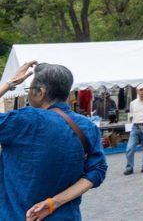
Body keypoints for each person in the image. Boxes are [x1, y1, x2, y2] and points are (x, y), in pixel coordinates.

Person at [0, 61, 107, 220]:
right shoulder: (87, 126)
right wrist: (53, 203)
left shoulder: (24, 120)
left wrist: (10, 83)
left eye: (29, 89)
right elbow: (97, 171)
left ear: (40, 93)